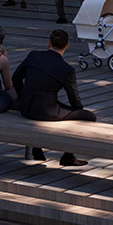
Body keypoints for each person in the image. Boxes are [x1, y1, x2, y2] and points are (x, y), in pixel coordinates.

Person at [14, 29, 94, 165]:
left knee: (49, 102)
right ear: (67, 46)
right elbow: (74, 99)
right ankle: (68, 155)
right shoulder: (66, 69)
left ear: (49, 43)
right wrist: (78, 111)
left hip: (25, 106)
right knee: (89, 117)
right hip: (46, 110)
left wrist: (23, 97)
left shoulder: (33, 56)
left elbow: (16, 79)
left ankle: (37, 149)